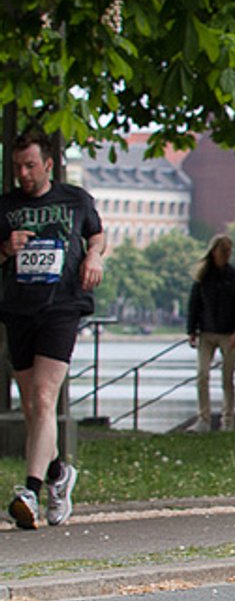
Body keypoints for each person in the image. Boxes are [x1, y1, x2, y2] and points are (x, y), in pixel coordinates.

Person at [3, 127, 103, 530]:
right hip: (18, 309)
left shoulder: (75, 200)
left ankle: (30, 489)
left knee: (45, 397)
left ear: (48, 164)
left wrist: (95, 258)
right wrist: (6, 248)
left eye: (30, 166)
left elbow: (96, 236)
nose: (23, 174)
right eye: (17, 167)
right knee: (31, 407)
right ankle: (60, 472)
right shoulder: (5, 207)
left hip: (61, 307)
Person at [187, 233, 235, 432]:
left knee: (227, 378)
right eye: (224, 251)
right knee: (202, 375)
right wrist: (191, 330)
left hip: (229, 333)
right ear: (214, 251)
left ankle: (228, 420)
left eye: (229, 251)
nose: (227, 255)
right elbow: (194, 304)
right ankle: (203, 419)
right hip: (206, 332)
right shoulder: (203, 277)